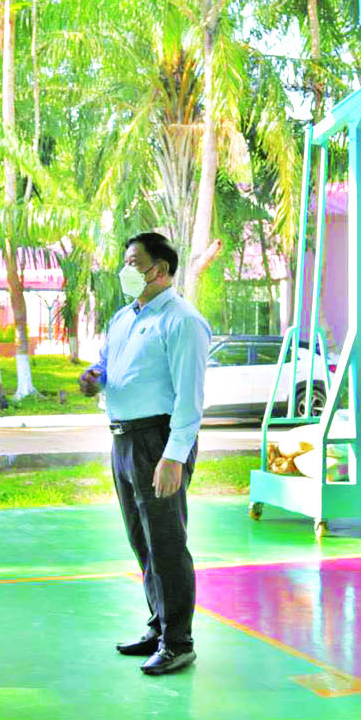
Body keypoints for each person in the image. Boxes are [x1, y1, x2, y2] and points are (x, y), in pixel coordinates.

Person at [79, 232, 211, 676]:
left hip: (159, 440)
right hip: (124, 439)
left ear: (161, 269)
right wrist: (95, 377)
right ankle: (159, 626)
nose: (126, 270)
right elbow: (108, 365)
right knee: (143, 540)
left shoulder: (182, 321)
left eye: (134, 262)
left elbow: (190, 398)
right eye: (125, 262)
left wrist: (174, 456)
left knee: (166, 542)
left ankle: (178, 642)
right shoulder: (124, 318)